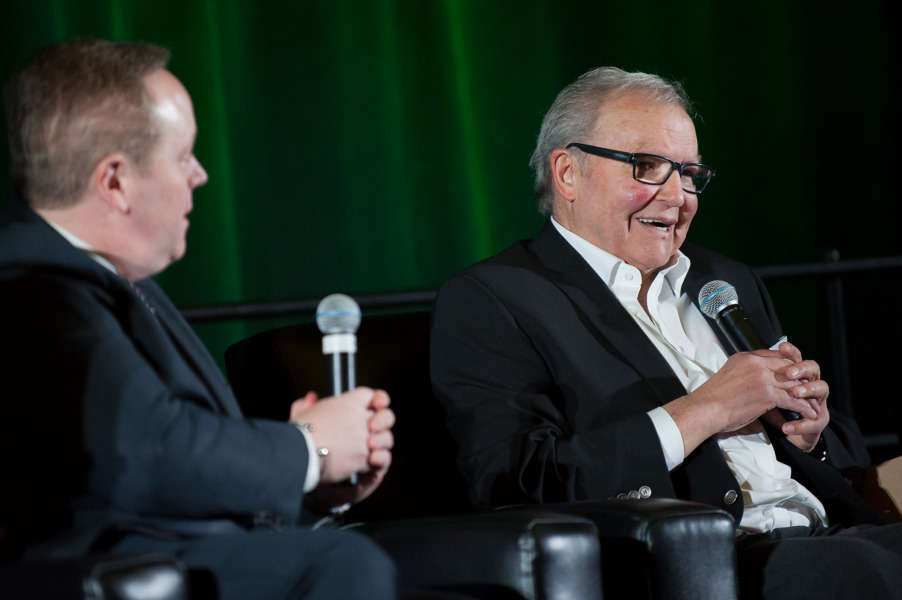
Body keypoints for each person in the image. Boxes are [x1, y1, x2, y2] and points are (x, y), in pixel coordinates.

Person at [430, 66, 902, 599]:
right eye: (647, 167)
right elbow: (519, 483)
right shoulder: (496, 300)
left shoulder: (725, 280)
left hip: (840, 533)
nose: (678, 196)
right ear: (567, 174)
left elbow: (843, 455)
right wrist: (709, 408)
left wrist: (811, 436)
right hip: (704, 565)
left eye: (689, 172)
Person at [0, 38, 397, 599]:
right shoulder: (30, 289)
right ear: (115, 181)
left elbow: (171, 457)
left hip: (185, 551)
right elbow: (148, 453)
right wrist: (311, 448)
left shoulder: (125, 284)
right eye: (184, 155)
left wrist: (312, 483)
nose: (201, 175)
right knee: (344, 564)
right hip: (105, 567)